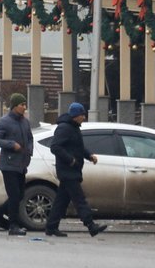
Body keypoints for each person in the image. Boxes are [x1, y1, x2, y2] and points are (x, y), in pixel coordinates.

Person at [44, 102, 109, 237]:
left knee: (61, 202)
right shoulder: (64, 128)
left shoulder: (74, 128)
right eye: (82, 115)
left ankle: (51, 227)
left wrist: (89, 156)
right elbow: (55, 147)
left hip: (72, 170)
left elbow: (78, 147)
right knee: (80, 200)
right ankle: (91, 225)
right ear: (75, 116)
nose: (84, 117)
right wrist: (70, 159)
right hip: (67, 171)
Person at [0, 93, 33, 236]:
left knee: (20, 195)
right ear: (14, 106)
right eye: (22, 105)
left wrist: (29, 151)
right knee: (14, 195)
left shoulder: (25, 122)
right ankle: (13, 225)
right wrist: (11, 144)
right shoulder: (4, 121)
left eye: (25, 104)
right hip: (9, 164)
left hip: (22, 163)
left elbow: (29, 138)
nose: (24, 107)